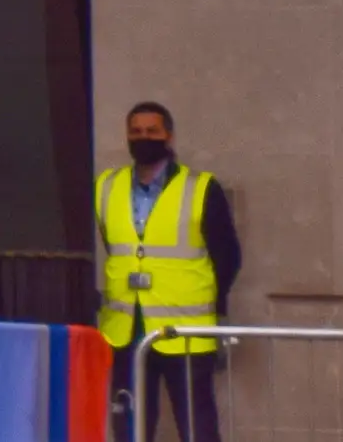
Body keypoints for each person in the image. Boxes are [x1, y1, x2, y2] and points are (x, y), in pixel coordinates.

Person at [98, 100, 240, 442]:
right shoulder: (106, 185)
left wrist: (210, 305)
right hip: (126, 331)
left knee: (197, 428)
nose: (142, 138)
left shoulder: (202, 188)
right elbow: (114, 245)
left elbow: (228, 257)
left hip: (185, 332)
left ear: (169, 136)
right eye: (135, 132)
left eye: (151, 131)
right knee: (130, 427)